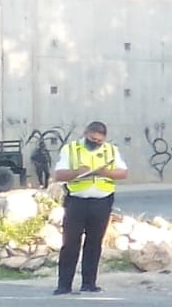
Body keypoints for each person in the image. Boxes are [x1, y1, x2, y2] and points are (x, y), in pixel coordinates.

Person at [53, 121, 128, 295]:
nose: (95, 143)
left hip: (102, 201)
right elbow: (59, 174)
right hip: (76, 202)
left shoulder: (110, 150)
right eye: (92, 139)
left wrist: (104, 172)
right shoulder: (71, 149)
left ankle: (89, 283)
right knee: (70, 243)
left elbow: (123, 172)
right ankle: (64, 285)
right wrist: (78, 172)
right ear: (85, 133)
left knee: (94, 243)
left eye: (99, 141)